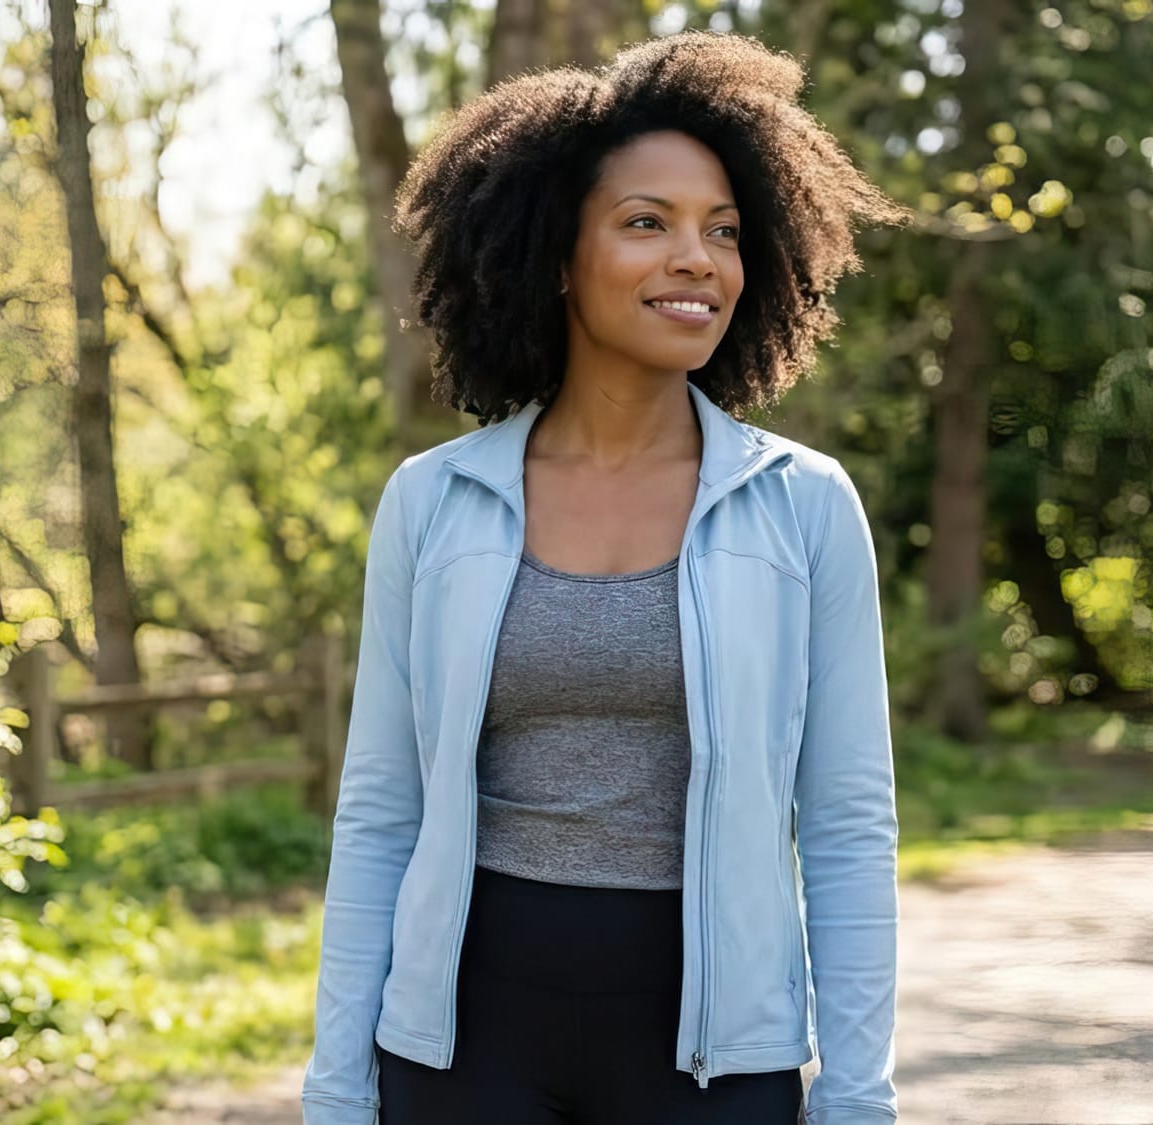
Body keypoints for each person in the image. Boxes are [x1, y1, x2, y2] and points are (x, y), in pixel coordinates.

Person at [303, 30, 911, 1125]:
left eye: (722, 232)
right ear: (552, 254)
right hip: (460, 1045)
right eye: (647, 223)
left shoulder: (801, 505)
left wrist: (857, 1098)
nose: (698, 259)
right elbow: (380, 812)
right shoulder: (434, 504)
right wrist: (336, 1092)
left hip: (713, 1054)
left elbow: (845, 823)